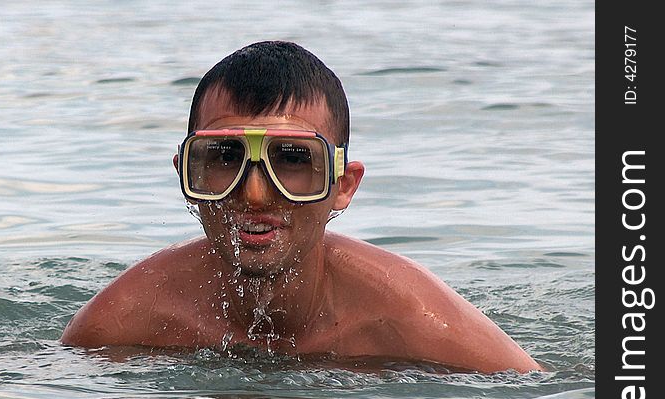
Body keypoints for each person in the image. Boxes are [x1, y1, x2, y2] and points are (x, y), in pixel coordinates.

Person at [61, 41, 541, 374]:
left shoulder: (412, 321)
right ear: (188, 179)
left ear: (343, 186)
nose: (253, 193)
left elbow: (543, 396)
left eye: (292, 159)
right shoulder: (122, 323)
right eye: (224, 158)